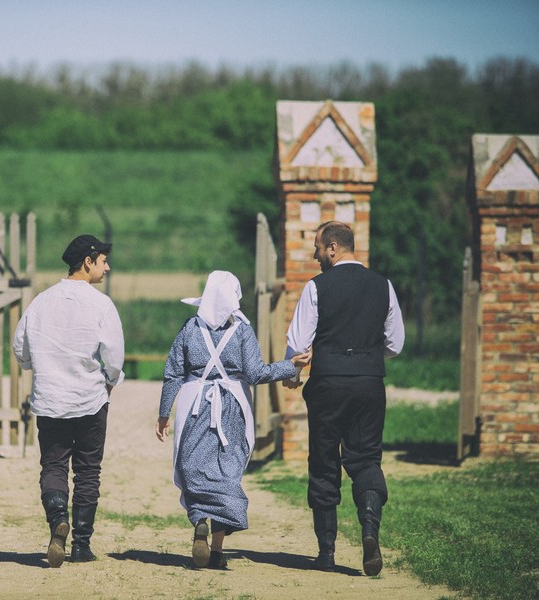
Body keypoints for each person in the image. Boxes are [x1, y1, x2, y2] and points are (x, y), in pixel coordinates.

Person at [156, 271, 310, 569]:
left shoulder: (189, 327)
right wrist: (289, 366)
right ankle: (216, 550)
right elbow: (255, 374)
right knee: (227, 472)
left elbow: (173, 372)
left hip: (194, 405)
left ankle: (200, 519)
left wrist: (164, 414)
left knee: (193, 467)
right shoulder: (242, 331)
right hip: (233, 409)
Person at [283, 220, 405, 576]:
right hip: (369, 383)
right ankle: (370, 530)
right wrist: (366, 356)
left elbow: (299, 342)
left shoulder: (316, 287)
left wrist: (292, 375)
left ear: (333, 248)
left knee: (324, 462)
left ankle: (326, 553)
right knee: (366, 459)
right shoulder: (383, 284)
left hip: (329, 383)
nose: (315, 255)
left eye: (318, 248)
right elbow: (395, 344)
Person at [12, 234, 125, 567]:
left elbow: (20, 348)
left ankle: (58, 518)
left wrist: (35, 364)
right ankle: (81, 546)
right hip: (90, 399)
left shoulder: (41, 301)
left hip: (50, 399)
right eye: (103, 260)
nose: (107, 267)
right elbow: (114, 357)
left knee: (54, 465)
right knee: (88, 471)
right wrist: (109, 381)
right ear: (87, 262)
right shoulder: (101, 304)